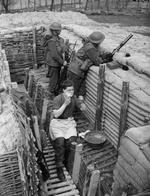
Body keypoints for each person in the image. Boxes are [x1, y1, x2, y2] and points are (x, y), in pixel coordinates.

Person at [49, 80, 86, 181]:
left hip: (68, 123)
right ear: (63, 90)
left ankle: (63, 161)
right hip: (57, 123)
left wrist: (82, 106)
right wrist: (65, 104)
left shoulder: (73, 98)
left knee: (71, 142)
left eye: (72, 89)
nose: (71, 91)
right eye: (69, 90)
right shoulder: (57, 99)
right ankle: (59, 168)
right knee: (60, 142)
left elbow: (80, 105)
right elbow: (56, 114)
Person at [67, 31, 113, 100]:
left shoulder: (90, 45)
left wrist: (104, 55)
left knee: (77, 90)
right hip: (76, 71)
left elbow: (97, 52)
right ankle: (70, 108)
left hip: (75, 69)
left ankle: (73, 106)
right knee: (73, 91)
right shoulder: (90, 47)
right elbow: (97, 61)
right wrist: (106, 60)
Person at [44, 22, 68, 98]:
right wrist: (62, 62)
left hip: (55, 63)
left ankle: (53, 94)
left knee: (55, 79)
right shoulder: (51, 41)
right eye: (59, 30)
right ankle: (49, 97)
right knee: (53, 81)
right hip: (53, 63)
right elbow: (54, 55)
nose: (60, 31)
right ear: (54, 31)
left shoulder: (58, 39)